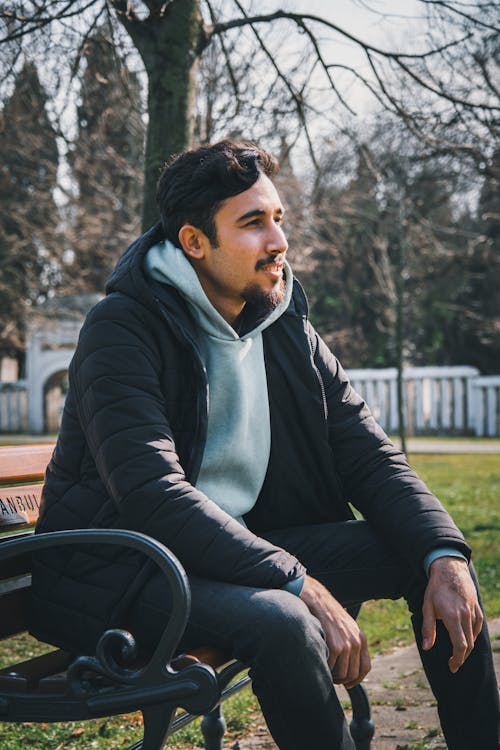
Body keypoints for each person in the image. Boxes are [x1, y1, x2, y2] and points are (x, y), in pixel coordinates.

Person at [31, 139, 499, 750]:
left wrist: (443, 552)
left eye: (278, 218)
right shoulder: (123, 327)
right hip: (122, 569)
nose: (277, 240)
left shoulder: (279, 323)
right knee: (283, 620)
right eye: (252, 223)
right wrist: (298, 582)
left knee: (435, 566)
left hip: (225, 555)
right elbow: (153, 494)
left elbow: (370, 454)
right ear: (195, 242)